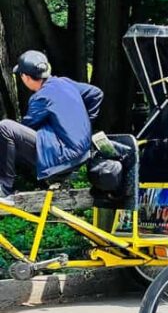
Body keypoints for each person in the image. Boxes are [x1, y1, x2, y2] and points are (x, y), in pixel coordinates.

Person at [0, 50, 103, 205]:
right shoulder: (64, 82)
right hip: (82, 152)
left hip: (63, 155)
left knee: (5, 128)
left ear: (26, 77)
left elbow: (27, 128)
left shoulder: (40, 97)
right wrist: (84, 123)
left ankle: (3, 190)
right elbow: (96, 93)